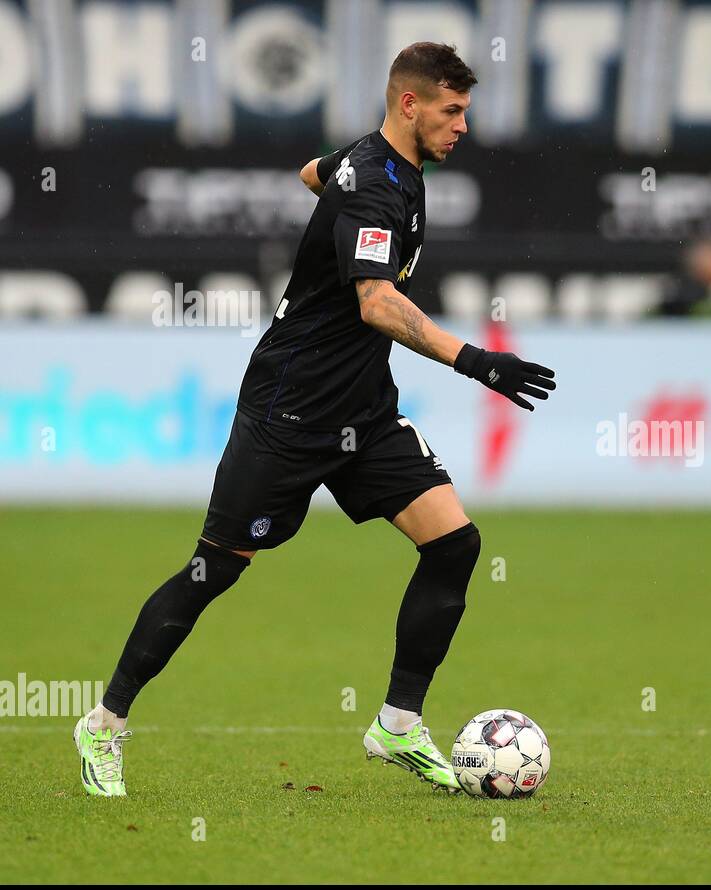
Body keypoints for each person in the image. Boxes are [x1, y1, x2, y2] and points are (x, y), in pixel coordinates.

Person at [74, 42, 556, 797]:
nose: (464, 125)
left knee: (455, 543)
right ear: (409, 104)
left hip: (363, 411)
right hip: (287, 413)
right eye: (452, 110)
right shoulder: (374, 191)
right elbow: (375, 301)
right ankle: (103, 723)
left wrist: (342, 175)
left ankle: (397, 726)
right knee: (213, 571)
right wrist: (476, 361)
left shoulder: (381, 170)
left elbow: (313, 173)